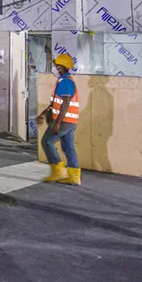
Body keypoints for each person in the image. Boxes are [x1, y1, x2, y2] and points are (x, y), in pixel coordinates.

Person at [40, 53, 81, 185]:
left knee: (47, 141)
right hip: (69, 121)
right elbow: (56, 102)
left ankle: (58, 170)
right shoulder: (63, 81)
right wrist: (44, 112)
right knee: (68, 147)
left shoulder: (66, 82)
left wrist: (57, 123)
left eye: (56, 65)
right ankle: (74, 177)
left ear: (61, 67)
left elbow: (65, 103)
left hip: (64, 121)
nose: (54, 67)